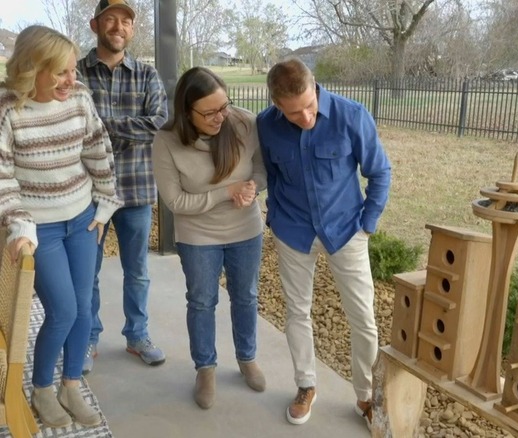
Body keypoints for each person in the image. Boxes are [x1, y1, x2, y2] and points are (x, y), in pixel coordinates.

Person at [257, 57, 392, 426]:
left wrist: (368, 224)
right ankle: (305, 385)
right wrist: (274, 217)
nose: (306, 118)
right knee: (296, 312)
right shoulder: (266, 126)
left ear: (315, 87)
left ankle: (365, 396)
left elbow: (379, 172)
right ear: (275, 105)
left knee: (363, 318)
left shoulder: (352, 115)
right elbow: (272, 173)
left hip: (347, 230)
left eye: (310, 107)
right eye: (294, 114)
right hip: (293, 231)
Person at [0, 25, 123, 428]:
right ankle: (42, 389)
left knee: (85, 305)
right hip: (42, 229)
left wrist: (105, 205)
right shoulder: (7, 111)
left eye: (73, 70)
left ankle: (71, 384)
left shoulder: (80, 100)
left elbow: (97, 150)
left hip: (83, 219)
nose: (73, 80)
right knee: (63, 310)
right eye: (61, 73)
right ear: (31, 69)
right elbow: (3, 179)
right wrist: (19, 226)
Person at [152, 67, 267, 410]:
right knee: (202, 301)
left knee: (245, 296)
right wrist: (224, 192)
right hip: (197, 235)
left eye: (224, 107)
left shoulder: (245, 123)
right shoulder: (167, 141)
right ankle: (205, 368)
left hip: (245, 230)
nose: (221, 117)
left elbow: (262, 168)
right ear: (188, 112)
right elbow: (175, 203)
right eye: (210, 112)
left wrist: (251, 188)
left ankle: (247, 358)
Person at [77, 0, 168, 373]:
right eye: (111, 19)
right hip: (86, 193)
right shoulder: (76, 73)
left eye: (126, 21)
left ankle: (137, 334)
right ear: (95, 23)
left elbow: (158, 122)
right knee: (87, 270)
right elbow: (74, 127)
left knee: (138, 270)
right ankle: (88, 337)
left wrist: (103, 128)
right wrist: (125, 127)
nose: (119, 26)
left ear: (132, 29)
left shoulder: (147, 75)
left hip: (135, 191)